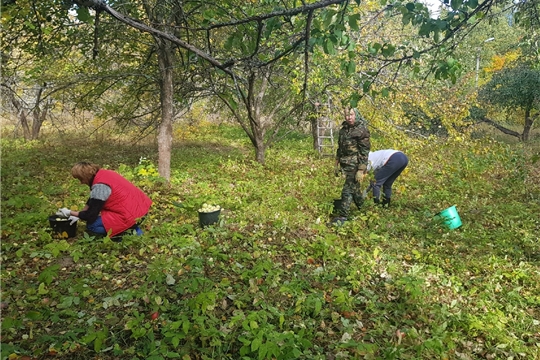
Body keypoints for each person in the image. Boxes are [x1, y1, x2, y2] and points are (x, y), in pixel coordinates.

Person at [56, 162, 152, 238]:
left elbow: (90, 215)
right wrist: (80, 213)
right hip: (141, 210)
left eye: (81, 179)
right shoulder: (105, 174)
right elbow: (92, 200)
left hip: (131, 216)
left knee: (91, 226)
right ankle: (133, 228)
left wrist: (70, 213)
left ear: (86, 176)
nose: (81, 183)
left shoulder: (100, 187)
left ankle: (128, 233)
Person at [332, 107, 371, 224]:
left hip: (355, 165)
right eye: (347, 115)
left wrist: (361, 170)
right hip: (345, 164)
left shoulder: (362, 130)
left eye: (351, 115)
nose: (349, 118)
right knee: (355, 190)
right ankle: (364, 210)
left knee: (347, 190)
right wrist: (336, 163)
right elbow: (340, 148)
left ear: (356, 115)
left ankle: (343, 217)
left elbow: (365, 151)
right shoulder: (344, 130)